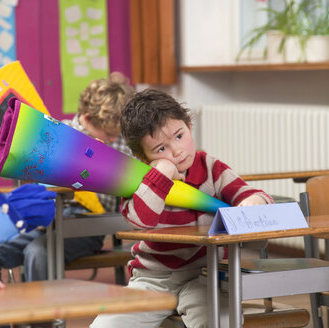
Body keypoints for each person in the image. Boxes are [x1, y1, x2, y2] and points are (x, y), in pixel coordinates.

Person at [90, 88, 274, 328]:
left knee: (221, 322)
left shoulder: (212, 169)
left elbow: (256, 196)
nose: (177, 151)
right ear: (143, 157)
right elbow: (141, 221)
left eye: (179, 136)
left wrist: (252, 203)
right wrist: (161, 174)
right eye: (160, 149)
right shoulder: (136, 179)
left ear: (189, 125)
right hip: (152, 279)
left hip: (207, 276)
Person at [0, 72, 134, 292]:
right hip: (47, 219)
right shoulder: (56, 131)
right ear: (89, 119)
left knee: (38, 252)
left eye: (115, 134)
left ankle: (42, 321)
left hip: (88, 226)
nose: (113, 139)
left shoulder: (123, 143)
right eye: (109, 134)